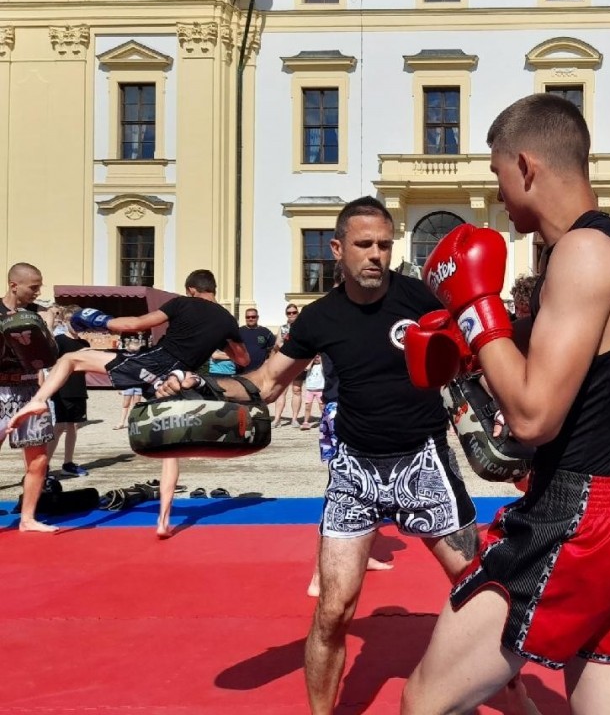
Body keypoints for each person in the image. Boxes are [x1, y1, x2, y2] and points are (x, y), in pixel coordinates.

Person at [155, 198, 483, 715]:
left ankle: (520, 696)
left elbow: (475, 361)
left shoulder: (419, 297)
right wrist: (202, 383)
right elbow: (265, 383)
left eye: (384, 244)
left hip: (423, 462)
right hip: (354, 470)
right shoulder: (320, 316)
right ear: (337, 249)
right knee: (332, 611)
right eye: (363, 245)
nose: (376, 255)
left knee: (480, 593)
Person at [400, 93, 610, 714]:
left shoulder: (582, 255)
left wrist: (475, 311)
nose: (497, 196)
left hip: (579, 519)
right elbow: (556, 389)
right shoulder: (604, 251)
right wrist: (476, 357)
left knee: (422, 702)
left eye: (498, 176)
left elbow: (532, 417)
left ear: (526, 166)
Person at [8, 269, 249, 538]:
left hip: (153, 362)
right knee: (170, 448)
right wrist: (221, 339)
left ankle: (39, 400)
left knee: (72, 359)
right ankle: (163, 521)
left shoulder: (183, 302)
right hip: (173, 379)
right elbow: (242, 360)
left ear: (191, 289)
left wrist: (95, 319)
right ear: (212, 289)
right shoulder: (227, 319)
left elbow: (133, 324)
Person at [306, 259, 393, 600]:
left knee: (367, 492)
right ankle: (318, 574)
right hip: (342, 409)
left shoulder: (352, 319)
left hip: (353, 409)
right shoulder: (333, 319)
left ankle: (364, 553)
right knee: (340, 495)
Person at [1, 263, 59, 532]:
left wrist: (47, 327)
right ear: (14, 285)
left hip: (29, 391)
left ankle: (27, 519)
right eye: (34, 287)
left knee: (38, 458)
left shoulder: (37, 314)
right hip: (0, 390)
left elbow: (50, 358)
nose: (38, 292)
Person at [45, 306, 91, 477]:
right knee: (59, 427)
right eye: (73, 321)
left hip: (79, 388)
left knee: (74, 426)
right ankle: (45, 465)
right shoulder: (59, 341)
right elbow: (50, 362)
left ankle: (68, 463)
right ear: (65, 321)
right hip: (62, 388)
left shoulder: (85, 344)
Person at [272, 303, 303, 428]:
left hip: (298, 362)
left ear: (297, 313)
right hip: (284, 362)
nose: (291, 315)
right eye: (289, 313)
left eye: (294, 312)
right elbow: (277, 343)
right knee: (281, 391)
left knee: (297, 390)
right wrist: (281, 346)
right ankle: (277, 418)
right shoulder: (283, 328)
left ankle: (294, 419)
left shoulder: (303, 327)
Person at [238, 307, 275, 374]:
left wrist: (269, 361)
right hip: (242, 371)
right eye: (248, 317)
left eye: (253, 317)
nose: (250, 319)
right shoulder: (239, 331)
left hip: (261, 371)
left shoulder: (265, 332)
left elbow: (274, 348)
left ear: (257, 317)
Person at [300, 355, 324, 429]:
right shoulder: (310, 366)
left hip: (320, 389)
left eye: (318, 356)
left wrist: (321, 359)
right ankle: (306, 422)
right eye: (315, 357)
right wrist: (311, 359)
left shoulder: (321, 366)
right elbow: (306, 368)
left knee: (322, 407)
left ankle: (324, 420)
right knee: (307, 406)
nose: (316, 358)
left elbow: (324, 368)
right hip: (309, 390)